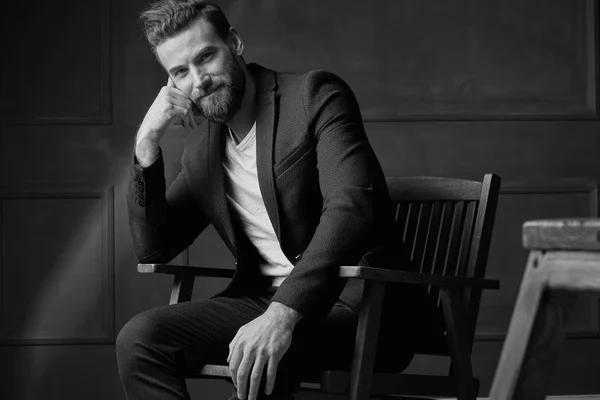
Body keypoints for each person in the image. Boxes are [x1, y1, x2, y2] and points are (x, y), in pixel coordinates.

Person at [116, 1, 428, 399]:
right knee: (139, 339)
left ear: (235, 42)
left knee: (262, 354)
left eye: (206, 56)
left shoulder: (314, 96)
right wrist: (146, 144)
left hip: (357, 305)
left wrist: (283, 313)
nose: (199, 80)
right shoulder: (201, 151)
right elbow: (153, 246)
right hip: (261, 301)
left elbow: (353, 207)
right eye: (180, 72)